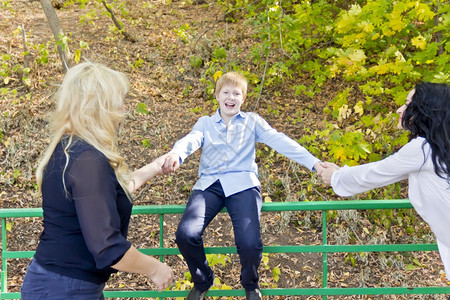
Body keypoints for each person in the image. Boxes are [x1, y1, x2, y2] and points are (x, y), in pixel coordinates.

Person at [161, 71, 326, 300]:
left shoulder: (252, 122)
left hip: (243, 185)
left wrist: (314, 163)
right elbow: (191, 139)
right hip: (210, 185)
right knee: (185, 234)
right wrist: (177, 154)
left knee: (249, 242)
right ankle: (203, 280)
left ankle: (250, 284)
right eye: (226, 92)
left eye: (236, 93)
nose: (231, 97)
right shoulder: (205, 123)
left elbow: (280, 140)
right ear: (217, 96)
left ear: (243, 98)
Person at [20, 61, 174, 300]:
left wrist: (154, 167)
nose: (124, 109)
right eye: (118, 102)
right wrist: (155, 268)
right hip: (66, 288)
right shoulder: (88, 161)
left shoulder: (70, 149)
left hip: (59, 283)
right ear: (100, 107)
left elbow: (105, 197)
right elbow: (107, 246)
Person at [318, 82, 450, 284]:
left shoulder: (422, 150)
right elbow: (387, 172)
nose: (399, 109)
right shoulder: (435, 149)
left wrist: (336, 177)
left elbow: (374, 173)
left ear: (425, 111)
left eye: (407, 105)